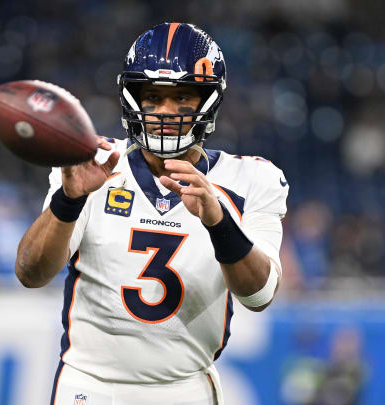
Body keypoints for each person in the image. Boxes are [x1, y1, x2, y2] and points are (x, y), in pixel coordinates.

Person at [15, 22, 289, 405]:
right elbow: (31, 272)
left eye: (182, 99)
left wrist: (219, 221)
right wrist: (68, 198)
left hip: (184, 388)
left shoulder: (251, 179)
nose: (165, 112)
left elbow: (259, 294)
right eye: (152, 98)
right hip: (90, 384)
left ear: (208, 102)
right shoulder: (94, 162)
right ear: (133, 100)